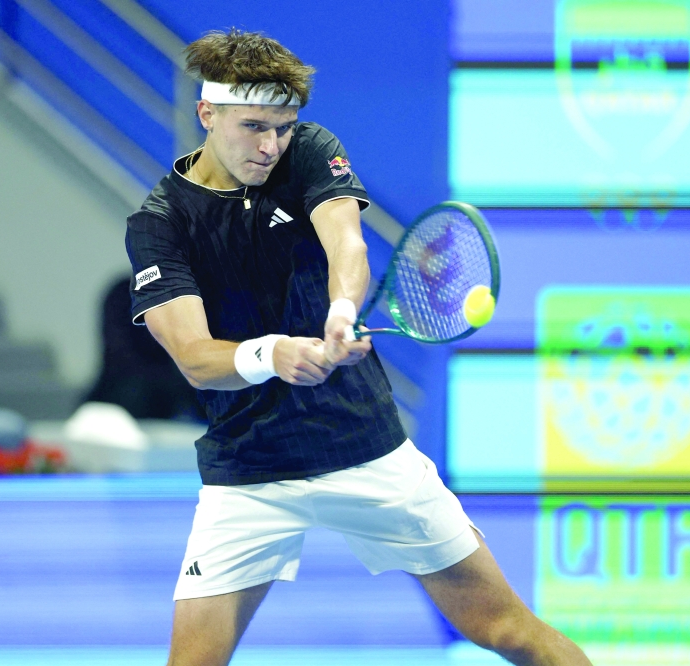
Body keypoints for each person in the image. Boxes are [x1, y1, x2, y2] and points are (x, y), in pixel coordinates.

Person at [125, 30, 592, 666]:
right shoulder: (159, 225)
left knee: (508, 630)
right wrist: (272, 355)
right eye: (254, 126)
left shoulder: (310, 152)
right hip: (248, 470)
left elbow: (347, 243)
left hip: (364, 446)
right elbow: (195, 359)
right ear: (207, 113)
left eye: (284, 127)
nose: (271, 146)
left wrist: (341, 311)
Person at [81, 275, 203, 421]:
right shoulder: (123, 293)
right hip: (122, 398)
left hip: (180, 393)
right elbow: (119, 357)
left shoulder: (191, 295)